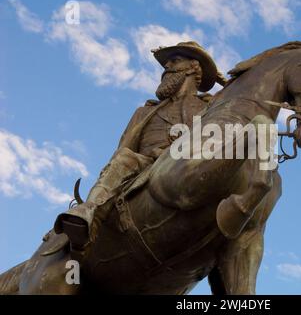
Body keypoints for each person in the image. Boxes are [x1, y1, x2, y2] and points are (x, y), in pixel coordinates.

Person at [54, 42, 224, 256]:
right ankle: (89, 212)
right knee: (124, 159)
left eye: (175, 61)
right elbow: (123, 150)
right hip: (142, 166)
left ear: (192, 67)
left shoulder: (210, 109)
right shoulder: (144, 112)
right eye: (166, 63)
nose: (167, 67)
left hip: (186, 168)